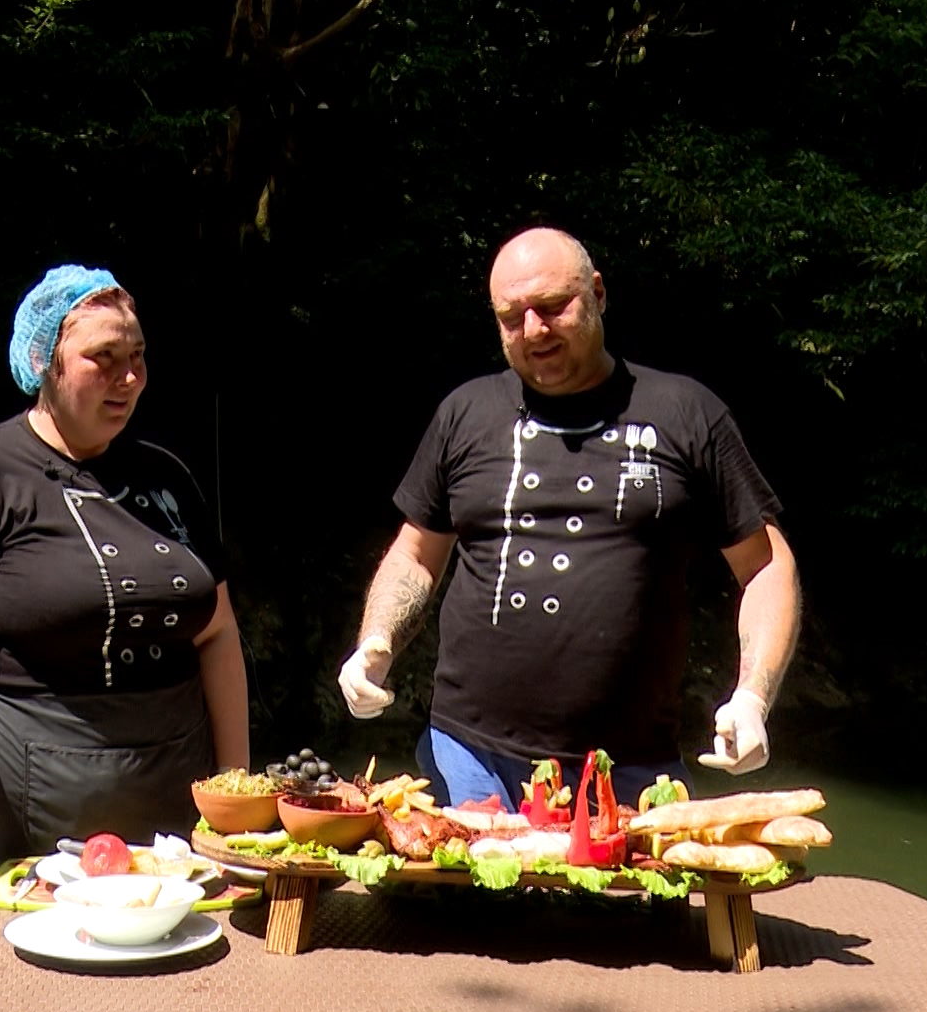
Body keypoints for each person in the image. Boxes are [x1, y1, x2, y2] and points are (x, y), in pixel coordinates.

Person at [336, 227, 800, 809]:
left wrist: (752, 697)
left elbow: (766, 566)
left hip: (628, 769)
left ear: (598, 294)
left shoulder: (686, 413)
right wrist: (376, 643)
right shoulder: (465, 413)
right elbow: (415, 553)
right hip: (466, 758)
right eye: (512, 317)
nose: (534, 329)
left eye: (553, 306)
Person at [0, 265, 249, 891]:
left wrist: (233, 792)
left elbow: (217, 632)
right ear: (42, 364)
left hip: (172, 836)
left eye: (137, 356)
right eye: (102, 358)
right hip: (23, 839)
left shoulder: (168, 478)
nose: (128, 377)